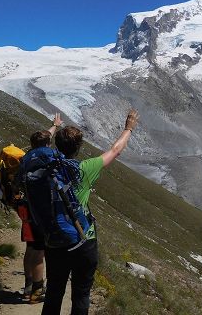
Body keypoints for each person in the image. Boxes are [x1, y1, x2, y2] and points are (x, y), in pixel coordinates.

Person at [41, 109, 140, 315]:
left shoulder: (46, 168)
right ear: (78, 148)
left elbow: (41, 141)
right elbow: (115, 150)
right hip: (83, 240)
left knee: (53, 292)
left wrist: (55, 127)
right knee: (81, 293)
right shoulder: (85, 169)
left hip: (55, 240)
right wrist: (128, 129)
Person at [20, 114, 64, 303]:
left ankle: (28, 286)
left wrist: (54, 126)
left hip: (27, 209)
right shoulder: (50, 155)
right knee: (39, 250)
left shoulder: (27, 157)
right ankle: (38, 291)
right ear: (47, 144)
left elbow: (44, 138)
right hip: (42, 211)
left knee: (30, 248)